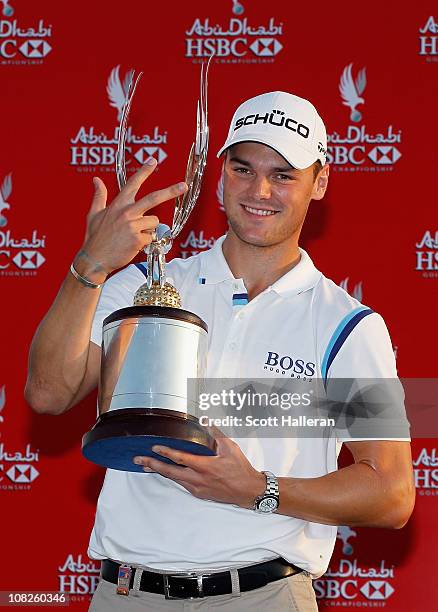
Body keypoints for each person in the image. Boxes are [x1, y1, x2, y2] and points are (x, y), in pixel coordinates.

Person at [26, 91, 415, 611]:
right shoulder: (145, 285)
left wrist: (257, 488)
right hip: (127, 594)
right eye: (242, 168)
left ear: (319, 183)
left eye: (283, 174)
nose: (259, 190)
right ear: (220, 176)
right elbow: (48, 394)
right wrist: (90, 265)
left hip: (265, 595)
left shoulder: (348, 325)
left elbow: (391, 494)